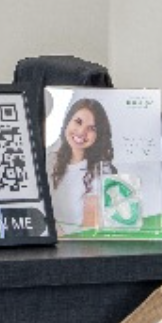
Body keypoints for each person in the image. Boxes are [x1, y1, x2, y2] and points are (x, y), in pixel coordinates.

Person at [47, 96, 117, 234]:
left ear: (99, 134)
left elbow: (90, 230)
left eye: (91, 128)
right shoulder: (50, 160)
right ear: (67, 122)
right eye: (78, 122)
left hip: (78, 246)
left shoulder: (101, 171)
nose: (81, 132)